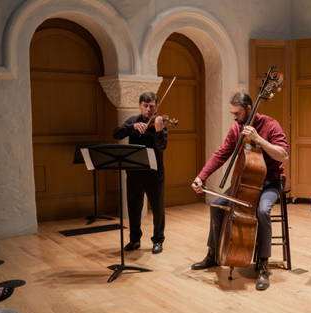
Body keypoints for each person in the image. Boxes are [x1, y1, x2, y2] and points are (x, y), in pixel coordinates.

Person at [190, 92, 289, 291]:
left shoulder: (270, 125)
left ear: (249, 109)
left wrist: (259, 139)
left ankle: (262, 265)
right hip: (245, 183)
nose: (234, 117)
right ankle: (213, 254)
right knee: (217, 205)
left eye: (237, 113)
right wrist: (201, 177)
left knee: (262, 211)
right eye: (232, 113)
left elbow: (283, 155)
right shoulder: (236, 128)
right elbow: (221, 154)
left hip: (270, 182)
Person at [113, 92, 167, 254]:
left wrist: (158, 131)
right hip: (134, 172)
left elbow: (162, 146)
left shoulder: (160, 122)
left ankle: (158, 240)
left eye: (152, 106)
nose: (149, 110)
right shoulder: (133, 121)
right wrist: (132, 128)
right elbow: (116, 133)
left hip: (154, 172)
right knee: (134, 207)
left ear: (156, 106)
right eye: (146, 106)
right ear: (140, 106)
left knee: (157, 208)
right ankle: (134, 240)